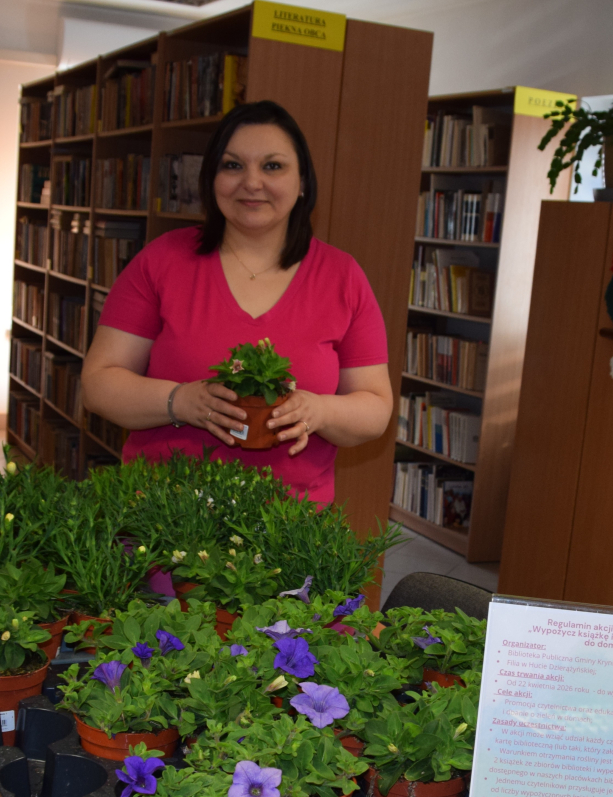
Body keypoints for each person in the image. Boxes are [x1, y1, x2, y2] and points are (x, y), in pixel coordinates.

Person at [81, 100, 392, 504]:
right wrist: (179, 402)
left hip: (289, 525)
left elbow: (375, 408)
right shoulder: (161, 261)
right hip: (163, 517)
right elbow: (98, 383)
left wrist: (319, 411)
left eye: (272, 166)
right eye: (233, 165)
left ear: (302, 183)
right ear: (211, 178)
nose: (252, 182)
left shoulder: (342, 276)